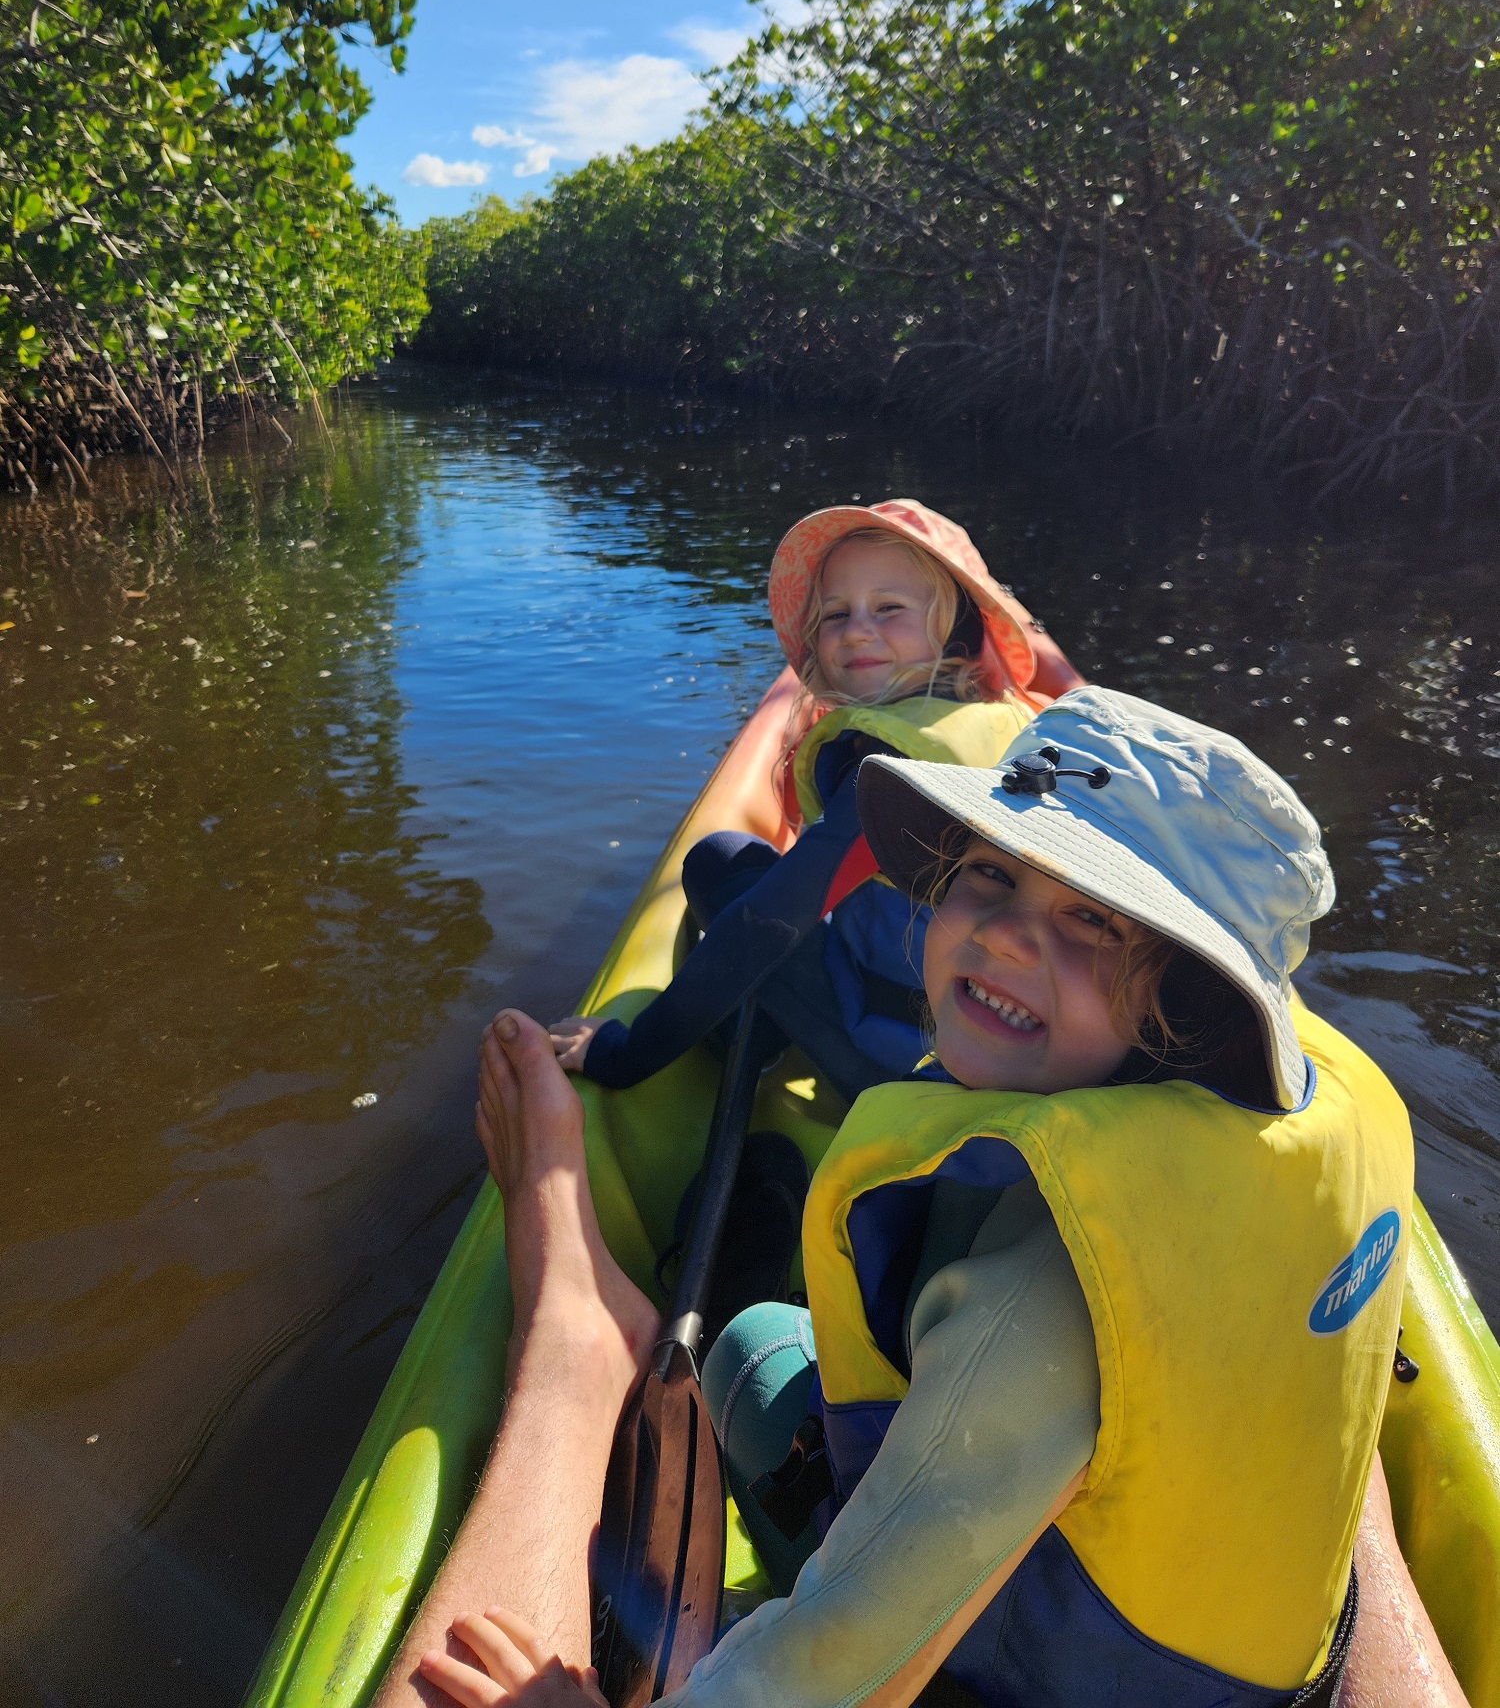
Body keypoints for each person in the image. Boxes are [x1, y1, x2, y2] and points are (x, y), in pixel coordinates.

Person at [375, 690, 1469, 1708]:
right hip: (1256, 1637)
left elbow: (844, 1661)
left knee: (748, 1353)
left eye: (1093, 923)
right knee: (769, 1340)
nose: (1001, 931)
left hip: (1065, 1674)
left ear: (1192, 1001)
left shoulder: (1032, 1303)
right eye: (991, 875)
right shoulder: (1324, 1099)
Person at [551, 499, 1083, 1102]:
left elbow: (764, 925)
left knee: (721, 862)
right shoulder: (1009, 723)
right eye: (835, 615)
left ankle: (753, 1042)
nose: (857, 629)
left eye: (889, 609)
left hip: (909, 1067)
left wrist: (624, 1053)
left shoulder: (891, 774)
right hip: (996, 1033)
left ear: (958, 631)